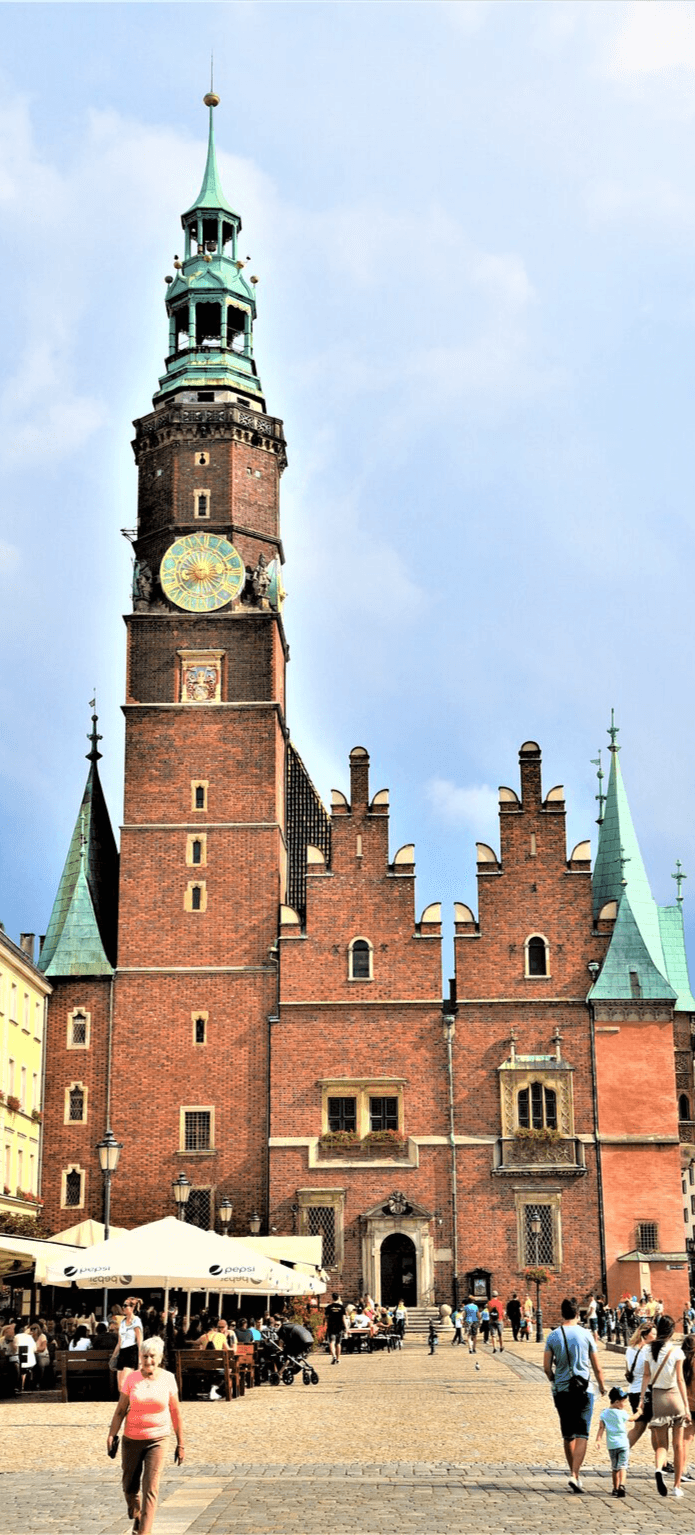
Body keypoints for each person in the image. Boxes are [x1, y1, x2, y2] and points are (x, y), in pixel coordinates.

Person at [107, 1334, 183, 1534]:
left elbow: (175, 1413)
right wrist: (111, 1434)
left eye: (152, 1356)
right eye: (145, 1356)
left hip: (158, 1439)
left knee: (151, 1488)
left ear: (159, 1358)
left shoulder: (168, 1379)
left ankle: (144, 1532)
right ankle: (137, 1515)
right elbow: (120, 1409)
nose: (148, 1361)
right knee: (129, 1487)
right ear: (139, 1357)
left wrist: (180, 1443)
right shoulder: (131, 1379)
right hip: (131, 1439)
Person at [544, 1296, 606, 1493]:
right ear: (578, 1314)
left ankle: (573, 1472)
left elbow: (546, 1367)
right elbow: (596, 1366)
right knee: (582, 1434)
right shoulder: (586, 1334)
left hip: (562, 1390)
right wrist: (603, 1386)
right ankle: (575, 1475)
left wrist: (555, 1379)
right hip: (584, 1389)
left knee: (568, 1434)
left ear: (562, 1313)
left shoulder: (553, 1336)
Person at [637, 1313, 691, 1498]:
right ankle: (677, 1486)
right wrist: (685, 1405)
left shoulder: (648, 1350)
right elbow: (680, 1379)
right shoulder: (676, 1351)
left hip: (658, 1397)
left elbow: (645, 1376)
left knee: (662, 1445)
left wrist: (642, 1399)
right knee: (679, 1446)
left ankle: (659, 1469)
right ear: (672, 1331)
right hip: (674, 1397)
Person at [596, 1386, 634, 1498]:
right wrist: (639, 1412)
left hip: (612, 1445)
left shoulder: (604, 1413)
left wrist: (598, 1440)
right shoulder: (621, 1413)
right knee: (623, 1466)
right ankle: (622, 1485)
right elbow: (632, 1418)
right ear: (617, 1402)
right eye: (623, 1402)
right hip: (623, 1444)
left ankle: (615, 1488)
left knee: (614, 1467)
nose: (624, 1405)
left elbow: (601, 1428)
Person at [625, 1322, 656, 1418]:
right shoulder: (648, 1351)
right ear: (645, 1335)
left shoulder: (629, 1349)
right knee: (653, 1426)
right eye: (654, 1334)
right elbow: (649, 1373)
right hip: (645, 1391)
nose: (656, 1336)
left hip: (632, 1391)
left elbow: (627, 1371)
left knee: (639, 1426)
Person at [113, 1298, 144, 1390]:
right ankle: (126, 1403)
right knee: (120, 1385)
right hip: (122, 1352)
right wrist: (114, 1356)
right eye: (123, 1305)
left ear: (132, 1307)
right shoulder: (122, 1322)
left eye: (126, 1305)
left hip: (132, 1351)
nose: (123, 1307)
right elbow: (119, 1341)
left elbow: (139, 1341)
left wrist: (140, 1359)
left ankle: (131, 1403)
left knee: (125, 1383)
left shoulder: (136, 1321)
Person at [324, 1292, 347, 1365]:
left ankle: (333, 1356)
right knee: (338, 1343)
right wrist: (346, 1327)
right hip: (339, 1326)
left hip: (331, 1326)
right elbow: (344, 1318)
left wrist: (324, 1324)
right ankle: (338, 1358)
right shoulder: (341, 1307)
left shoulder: (329, 1307)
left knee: (331, 1342)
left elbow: (326, 1317)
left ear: (332, 1298)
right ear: (338, 1297)